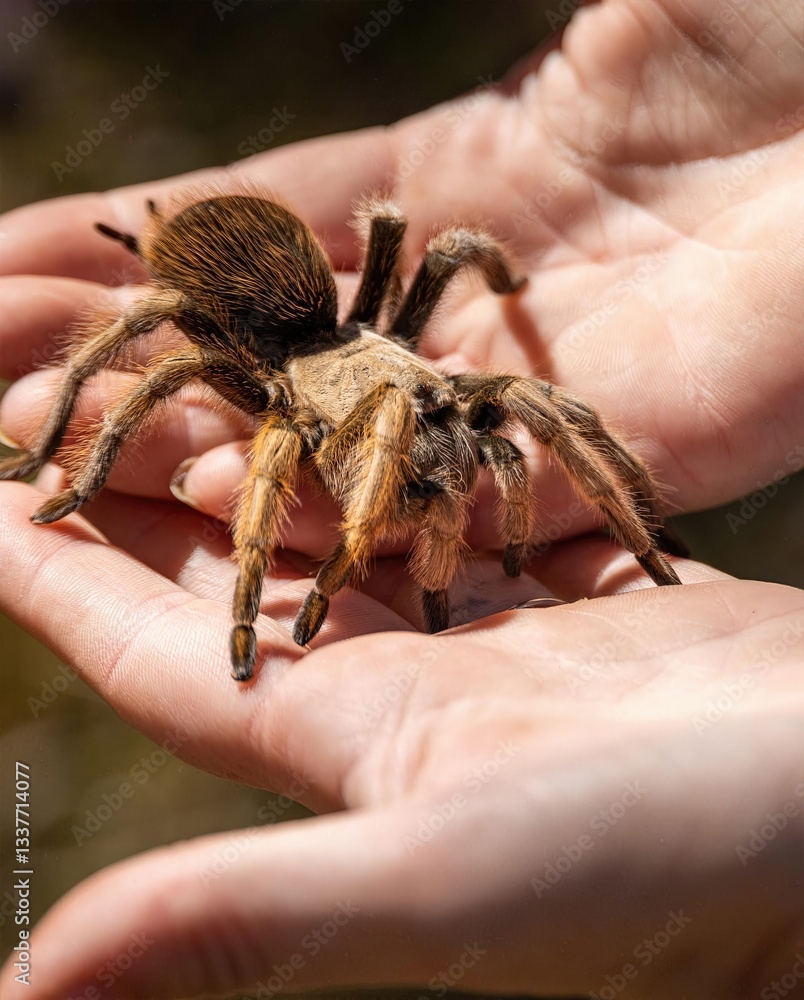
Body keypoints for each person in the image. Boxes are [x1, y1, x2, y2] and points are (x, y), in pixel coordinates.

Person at [1, 0, 802, 996]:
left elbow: (448, 251)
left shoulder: (436, 373)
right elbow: (210, 344)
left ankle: (642, 538)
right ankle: (188, 551)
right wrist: (82, 461)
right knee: (172, 368)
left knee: (534, 403)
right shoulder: (263, 379)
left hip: (370, 358)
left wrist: (640, 547)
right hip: (289, 345)